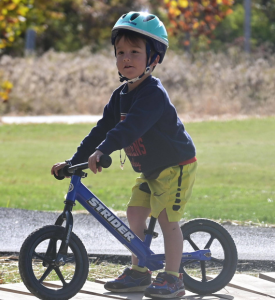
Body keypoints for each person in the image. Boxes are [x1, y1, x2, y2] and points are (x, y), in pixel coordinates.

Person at [49, 11, 197, 299]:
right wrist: (73, 161)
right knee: (134, 212)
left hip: (175, 166)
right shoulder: (120, 96)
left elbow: (130, 127)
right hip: (151, 170)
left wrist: (105, 150)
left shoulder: (153, 94)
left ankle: (173, 277)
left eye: (135, 52)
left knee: (167, 219)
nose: (126, 58)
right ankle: (140, 270)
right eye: (120, 53)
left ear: (154, 58)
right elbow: (100, 130)